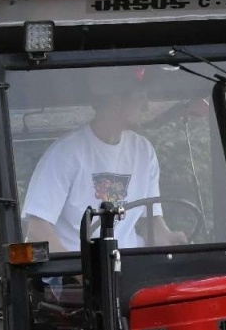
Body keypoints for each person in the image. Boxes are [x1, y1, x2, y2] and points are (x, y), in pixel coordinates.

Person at [22, 83, 189, 253]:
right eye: (140, 99)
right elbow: (37, 229)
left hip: (129, 264)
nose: (146, 107)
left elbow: (150, 222)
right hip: (76, 270)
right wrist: (79, 272)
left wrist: (168, 239)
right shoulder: (65, 153)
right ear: (116, 101)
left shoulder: (143, 151)